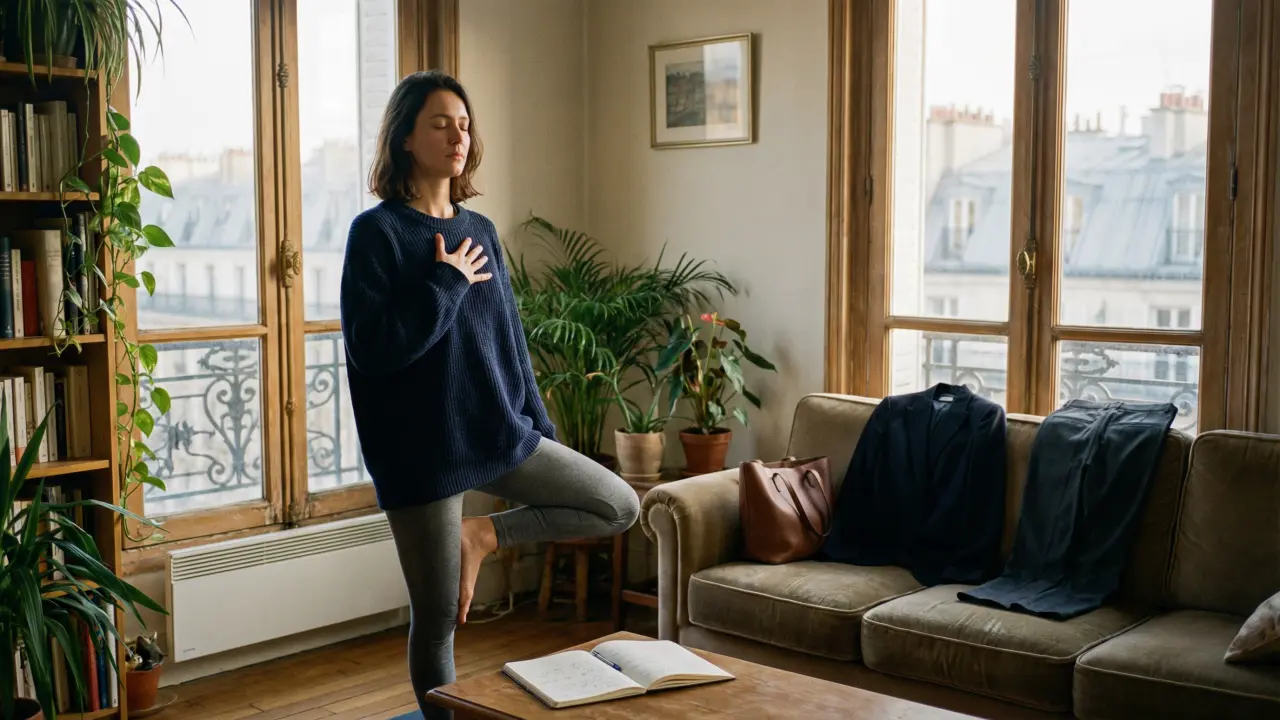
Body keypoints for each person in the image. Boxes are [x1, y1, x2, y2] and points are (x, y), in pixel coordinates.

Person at [338, 70, 640, 717]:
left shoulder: (479, 228)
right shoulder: (379, 234)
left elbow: (508, 341)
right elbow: (375, 349)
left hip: (498, 430)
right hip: (422, 454)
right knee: (440, 617)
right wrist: (442, 285)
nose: (457, 135)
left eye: (464, 123)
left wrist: (542, 429)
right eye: (440, 122)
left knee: (617, 505)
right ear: (406, 138)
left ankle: (483, 536)